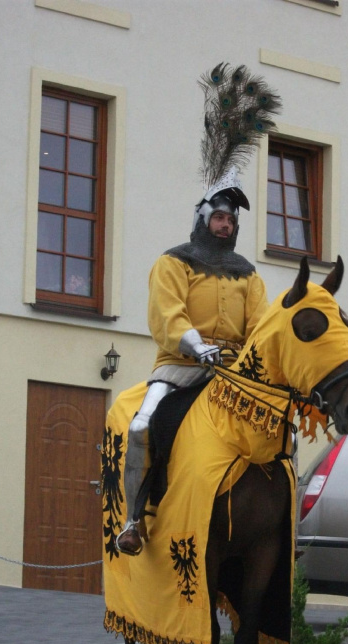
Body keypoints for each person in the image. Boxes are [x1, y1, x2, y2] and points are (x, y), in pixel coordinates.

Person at [115, 169, 269, 554]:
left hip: (234, 370)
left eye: (231, 219)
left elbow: (262, 324)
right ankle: (133, 520)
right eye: (219, 217)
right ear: (202, 218)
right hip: (180, 365)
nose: (226, 225)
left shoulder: (247, 273)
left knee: (282, 428)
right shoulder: (173, 262)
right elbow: (167, 313)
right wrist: (197, 346)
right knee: (141, 425)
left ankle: (282, 521)